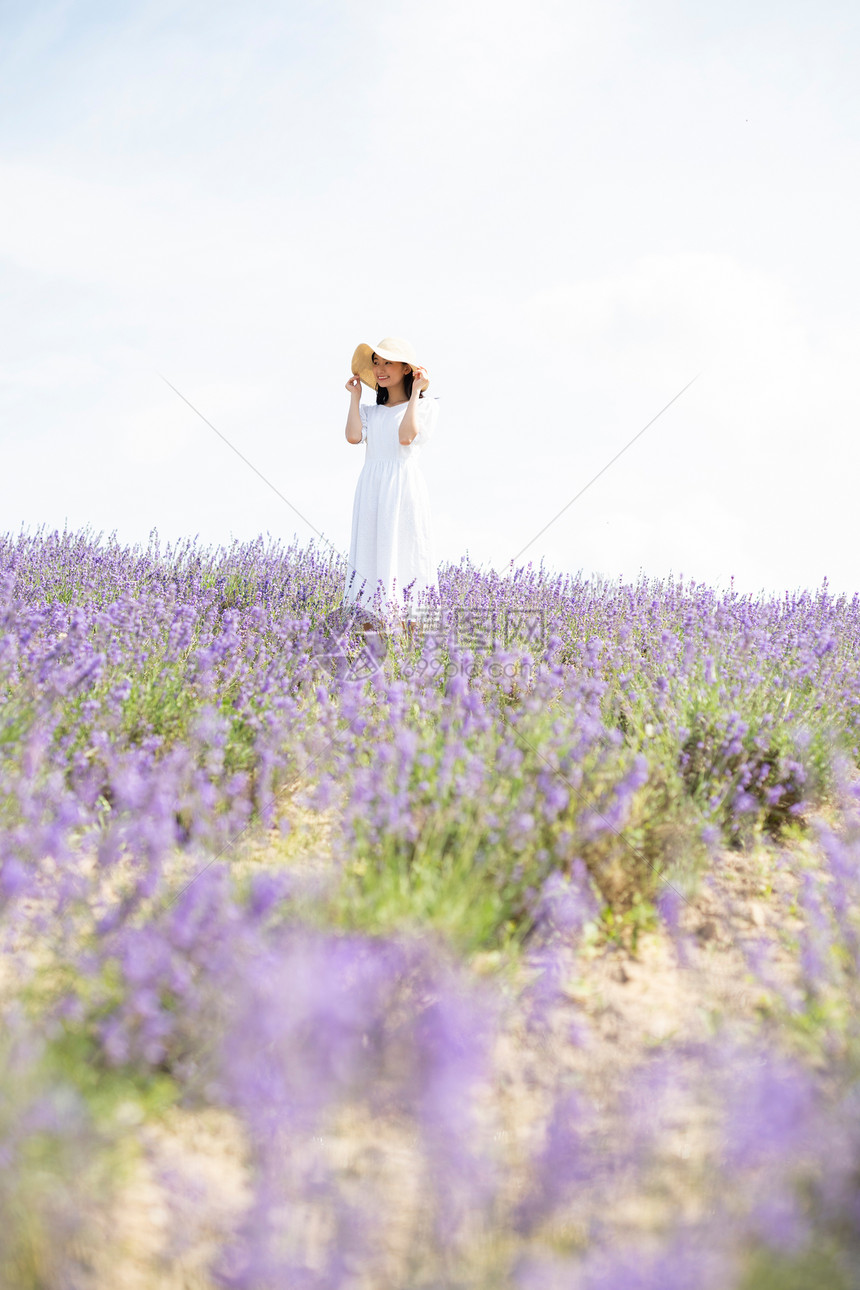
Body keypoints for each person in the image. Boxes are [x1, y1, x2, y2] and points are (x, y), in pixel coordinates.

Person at [343, 336, 439, 635]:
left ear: (406, 370)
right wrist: (355, 397)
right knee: (371, 553)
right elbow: (353, 437)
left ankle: (409, 635)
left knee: (405, 552)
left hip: (403, 487)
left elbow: (406, 437)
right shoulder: (371, 412)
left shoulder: (425, 406)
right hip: (372, 487)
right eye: (377, 363)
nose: (380, 369)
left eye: (388, 363)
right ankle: (372, 636)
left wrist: (416, 395)